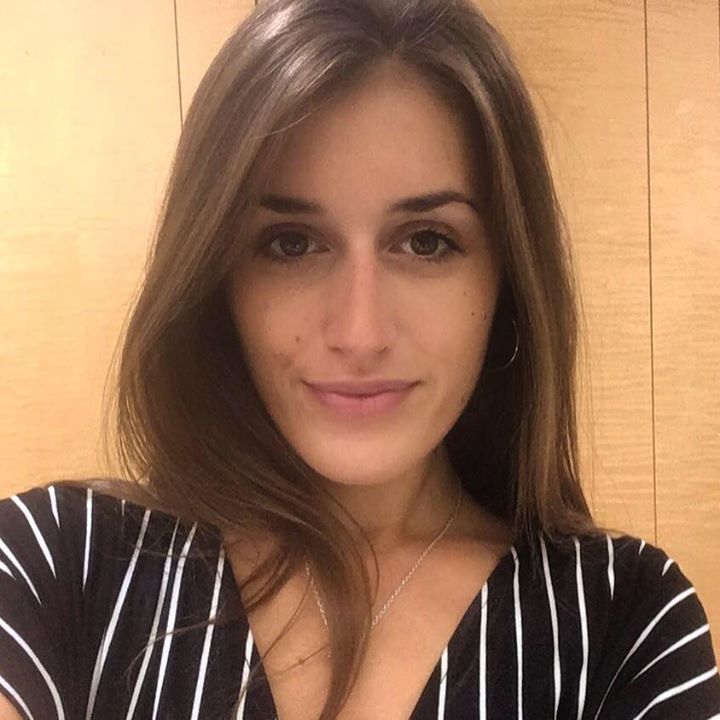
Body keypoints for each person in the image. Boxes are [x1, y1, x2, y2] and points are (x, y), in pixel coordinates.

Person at [1, 0, 718, 718]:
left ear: (507, 278)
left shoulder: (623, 622)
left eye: (427, 241)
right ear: (218, 278)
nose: (360, 331)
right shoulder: (58, 564)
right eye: (291, 243)